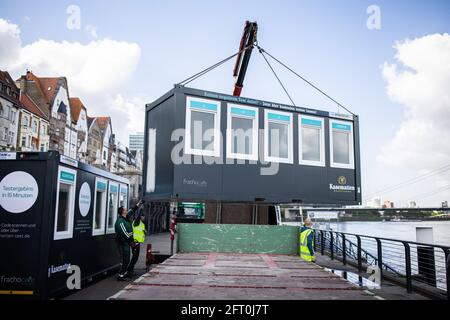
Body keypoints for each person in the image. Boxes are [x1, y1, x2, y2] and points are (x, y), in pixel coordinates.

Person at [115, 200, 144, 281]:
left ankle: (124, 273)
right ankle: (121, 275)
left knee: (127, 259)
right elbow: (125, 234)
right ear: (122, 212)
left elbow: (132, 210)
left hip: (127, 243)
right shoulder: (120, 222)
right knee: (125, 259)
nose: (127, 210)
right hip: (123, 243)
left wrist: (139, 204)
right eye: (125, 210)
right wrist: (132, 241)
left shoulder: (126, 218)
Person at [127, 210, 147, 276]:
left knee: (135, 257)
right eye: (143, 216)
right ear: (140, 216)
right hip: (135, 243)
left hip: (137, 243)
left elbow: (140, 231)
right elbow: (138, 217)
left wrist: (144, 232)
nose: (144, 218)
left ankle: (130, 270)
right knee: (135, 257)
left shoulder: (141, 223)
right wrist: (141, 210)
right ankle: (129, 270)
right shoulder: (136, 222)